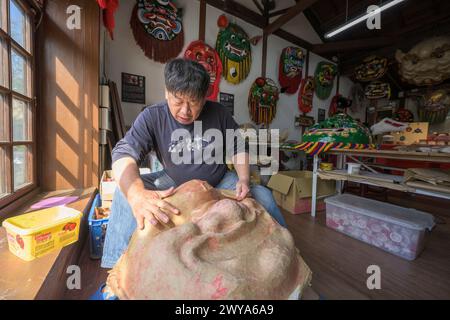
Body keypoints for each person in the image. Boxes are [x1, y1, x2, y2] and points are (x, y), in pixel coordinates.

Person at [101, 58, 286, 269]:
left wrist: (243, 178)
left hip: (219, 180)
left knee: (265, 196)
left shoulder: (219, 113)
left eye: (194, 102)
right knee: (124, 193)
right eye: (178, 100)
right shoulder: (152, 116)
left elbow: (238, 146)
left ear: (205, 97)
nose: (185, 111)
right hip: (173, 180)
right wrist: (136, 195)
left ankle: (284, 255)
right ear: (166, 92)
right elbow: (124, 153)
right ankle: (114, 269)